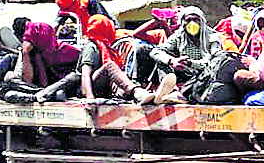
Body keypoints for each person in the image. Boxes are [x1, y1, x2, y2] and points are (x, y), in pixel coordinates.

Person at [17, 15, 162, 104]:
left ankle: (148, 93)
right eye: (108, 26)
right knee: (110, 66)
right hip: (86, 88)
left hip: (102, 86)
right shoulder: (91, 47)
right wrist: (89, 98)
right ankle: (137, 92)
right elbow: (84, 74)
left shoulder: (107, 46)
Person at [150, 6, 222, 88]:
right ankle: (172, 91)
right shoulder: (179, 35)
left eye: (195, 20)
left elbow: (214, 61)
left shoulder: (212, 36)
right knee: (161, 61)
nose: (192, 23)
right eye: (188, 20)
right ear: (183, 22)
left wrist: (190, 63)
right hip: (184, 70)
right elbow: (156, 51)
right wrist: (172, 60)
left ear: (201, 21)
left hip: (203, 73)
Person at [18, 20, 81, 86]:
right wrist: (26, 54)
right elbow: (31, 82)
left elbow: (33, 82)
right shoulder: (37, 55)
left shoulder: (66, 50)